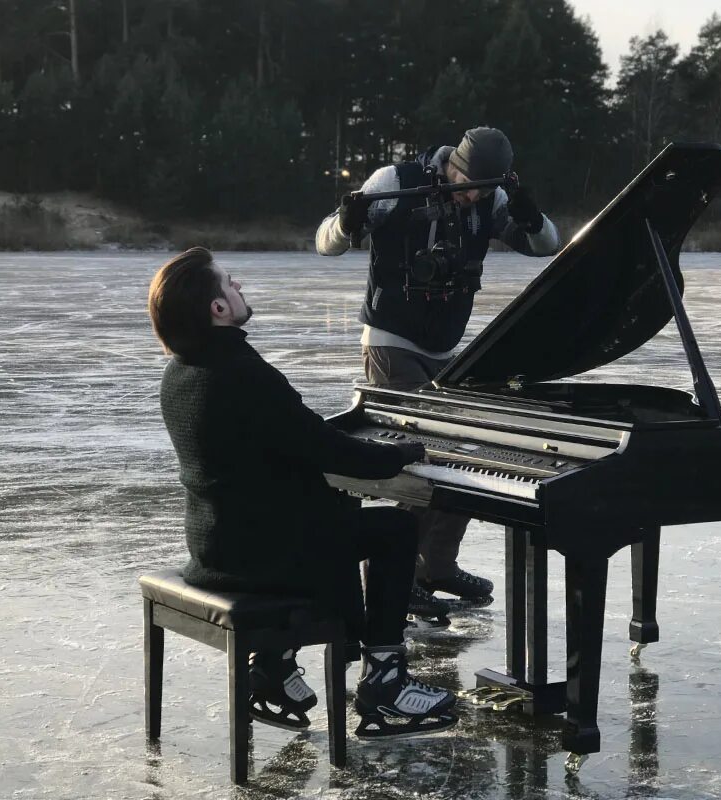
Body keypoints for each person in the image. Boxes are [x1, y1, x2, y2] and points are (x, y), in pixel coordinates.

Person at [148, 246, 457, 739]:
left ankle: (272, 670)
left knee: (338, 514)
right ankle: (385, 681)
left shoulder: (180, 372)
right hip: (263, 555)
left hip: (215, 545)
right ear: (218, 309)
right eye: (229, 282)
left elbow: (277, 449)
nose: (239, 286)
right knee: (394, 529)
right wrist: (403, 453)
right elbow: (324, 449)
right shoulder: (242, 373)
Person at [315, 127, 561, 625]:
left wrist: (529, 213)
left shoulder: (488, 203)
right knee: (409, 461)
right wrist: (346, 222)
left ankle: (436, 567)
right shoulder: (395, 181)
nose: (470, 195)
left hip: (449, 351)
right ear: (453, 163)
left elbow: (547, 246)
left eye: (482, 190)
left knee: (462, 455)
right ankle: (394, 580)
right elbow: (325, 244)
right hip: (391, 341)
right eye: (466, 183)